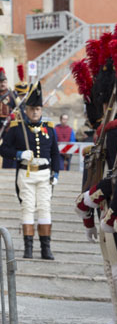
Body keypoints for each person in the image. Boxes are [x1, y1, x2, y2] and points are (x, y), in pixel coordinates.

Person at [0, 81, 60, 259]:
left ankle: (45, 248)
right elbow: (3, 149)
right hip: (26, 173)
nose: (35, 112)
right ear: (26, 110)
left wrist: (56, 173)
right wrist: (18, 154)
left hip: (44, 174)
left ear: (41, 110)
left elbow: (55, 153)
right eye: (32, 109)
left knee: (45, 208)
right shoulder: (18, 128)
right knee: (27, 208)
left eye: (38, 109)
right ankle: (28, 248)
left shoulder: (49, 128)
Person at [0, 67, 17, 169]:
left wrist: (12, 116)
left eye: (4, 81)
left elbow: (18, 109)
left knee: (8, 146)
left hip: (8, 124)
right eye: (0, 82)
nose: (2, 84)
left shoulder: (12, 95)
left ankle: (8, 167)